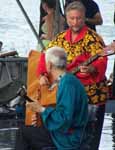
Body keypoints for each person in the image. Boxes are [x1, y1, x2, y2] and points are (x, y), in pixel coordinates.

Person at [37, 1, 108, 149]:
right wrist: (42, 74)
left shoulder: (94, 39)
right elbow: (45, 56)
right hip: (67, 97)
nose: (75, 22)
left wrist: (92, 69)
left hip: (91, 97)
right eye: (72, 19)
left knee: (88, 141)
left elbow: (102, 62)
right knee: (66, 136)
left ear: (84, 18)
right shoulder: (60, 38)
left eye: (79, 18)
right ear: (67, 19)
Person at [15, 46, 88, 150]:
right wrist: (41, 113)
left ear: (49, 65)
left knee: (23, 133)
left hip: (68, 138)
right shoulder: (69, 80)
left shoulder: (67, 84)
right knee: (33, 130)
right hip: (72, 132)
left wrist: (41, 109)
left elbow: (64, 120)